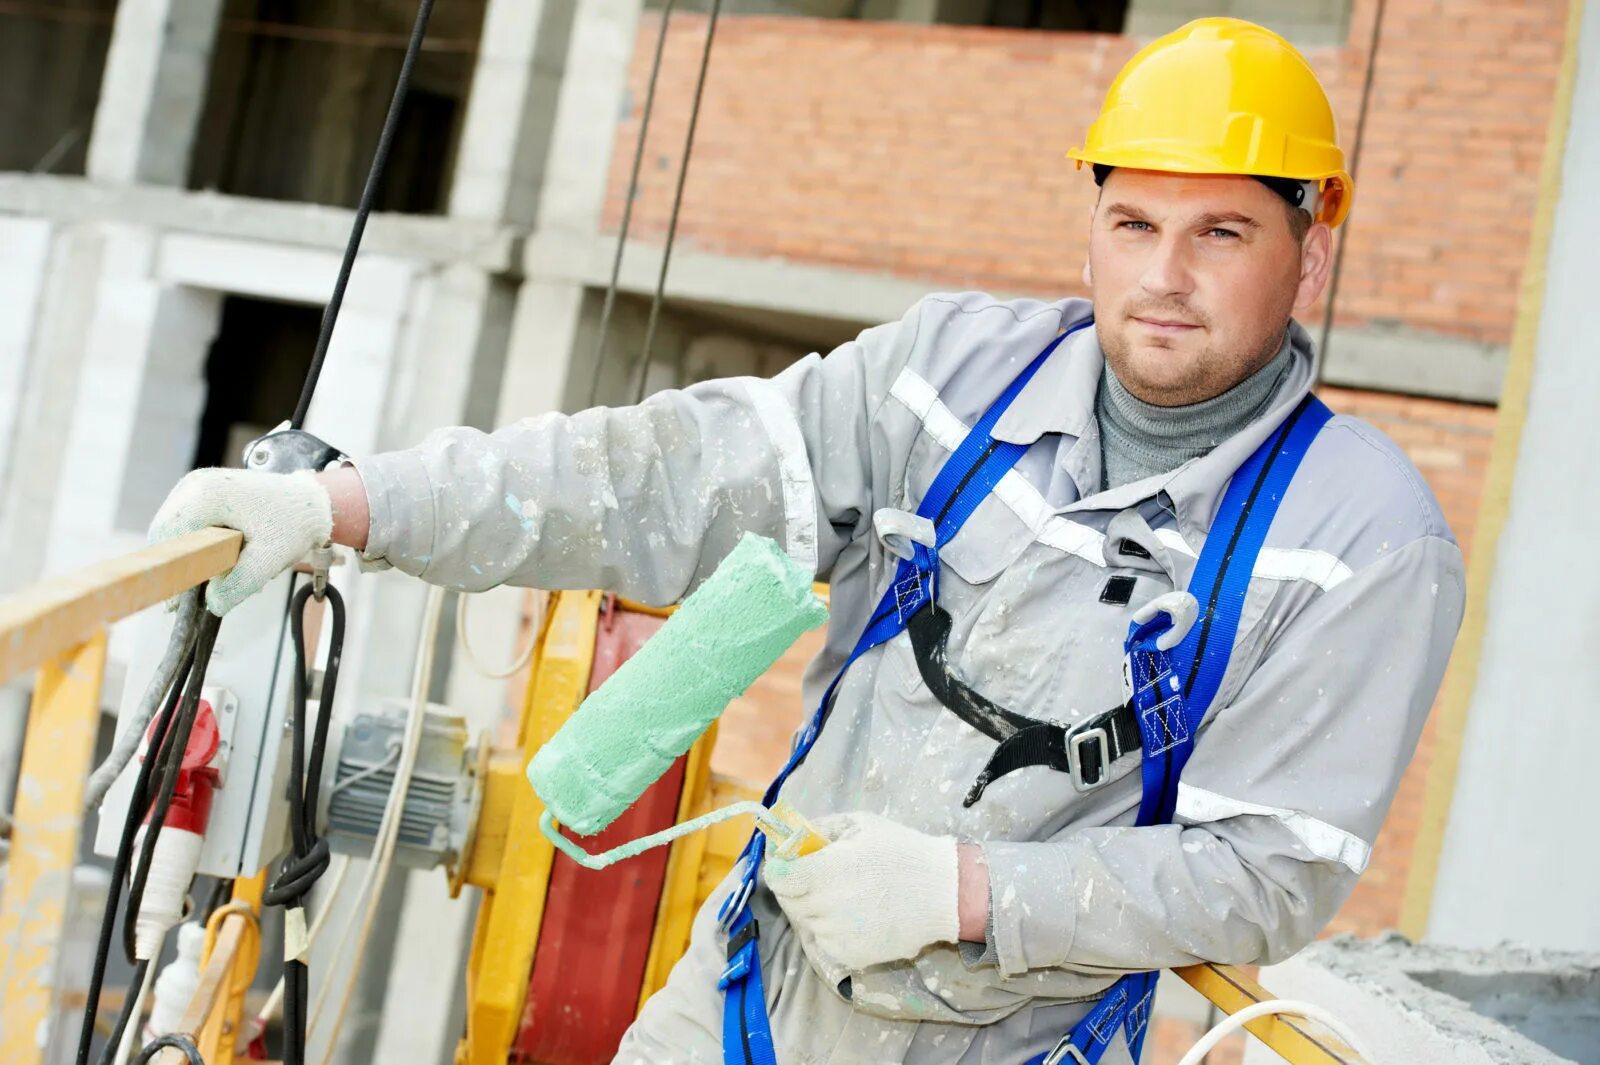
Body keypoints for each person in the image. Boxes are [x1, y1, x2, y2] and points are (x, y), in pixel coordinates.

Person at [151, 18, 1464, 1065]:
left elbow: (1263, 877)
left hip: (1006, 1045)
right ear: (1092, 227)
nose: (1165, 275)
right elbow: (662, 474)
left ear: (1314, 247)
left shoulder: (1360, 540)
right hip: (744, 992)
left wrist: (967, 893)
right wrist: (349, 504)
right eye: (1135, 224)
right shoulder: (953, 376)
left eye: (1221, 232)